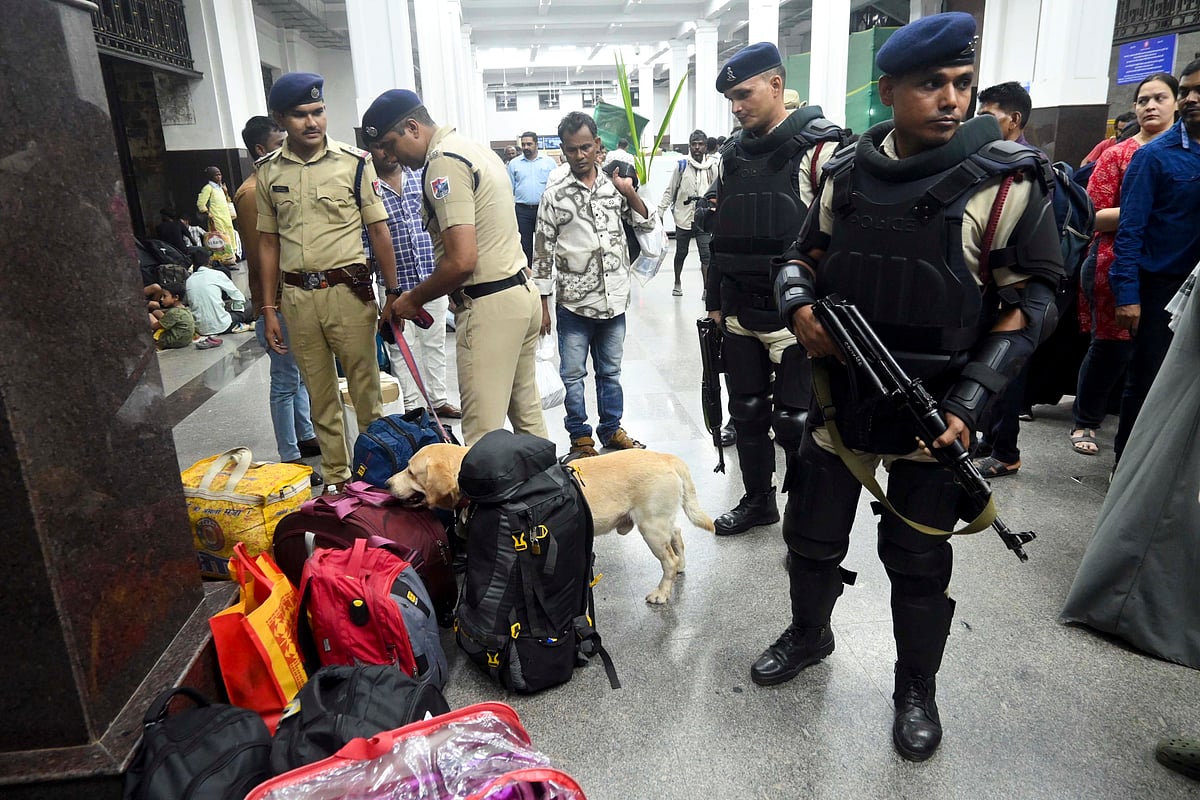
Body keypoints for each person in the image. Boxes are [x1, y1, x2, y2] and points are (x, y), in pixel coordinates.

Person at [768, 12, 1062, 761]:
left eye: (963, 82)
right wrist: (799, 307)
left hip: (937, 411)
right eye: (932, 83)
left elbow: (1031, 303)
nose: (953, 99)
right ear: (888, 90)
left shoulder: (1006, 182)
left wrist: (970, 403)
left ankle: (915, 687)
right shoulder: (843, 174)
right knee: (810, 535)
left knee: (919, 560)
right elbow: (799, 256)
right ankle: (809, 633)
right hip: (841, 397)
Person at [704, 41, 845, 536]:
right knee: (745, 413)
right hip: (740, 311)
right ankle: (759, 501)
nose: (736, 107)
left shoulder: (822, 149)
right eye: (731, 99)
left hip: (797, 316)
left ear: (776, 84)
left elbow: (838, 241)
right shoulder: (730, 156)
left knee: (793, 421)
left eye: (743, 94)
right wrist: (715, 303)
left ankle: (804, 519)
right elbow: (720, 236)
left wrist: (821, 313)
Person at [364, 89, 547, 446]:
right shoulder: (474, 148)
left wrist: (413, 299)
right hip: (520, 294)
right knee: (528, 419)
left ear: (412, 128)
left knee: (481, 436)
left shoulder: (443, 162)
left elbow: (462, 260)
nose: (390, 156)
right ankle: (549, 483)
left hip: (490, 307)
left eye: (389, 144)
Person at [256, 72, 401, 491]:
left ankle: (374, 478)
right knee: (320, 397)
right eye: (300, 115)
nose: (312, 122)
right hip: (297, 300)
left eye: (318, 111)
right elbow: (268, 243)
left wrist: (392, 294)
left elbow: (379, 231)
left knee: (366, 393)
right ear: (280, 119)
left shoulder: (355, 163)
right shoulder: (268, 171)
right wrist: (268, 308)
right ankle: (338, 482)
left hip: (349, 293)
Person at [533, 111, 655, 458]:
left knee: (610, 372)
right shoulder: (554, 195)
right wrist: (542, 306)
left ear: (598, 145)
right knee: (573, 375)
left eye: (586, 147)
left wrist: (629, 193)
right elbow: (541, 251)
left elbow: (647, 223)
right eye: (572, 149)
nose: (580, 155)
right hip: (573, 303)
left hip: (613, 300)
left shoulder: (615, 186)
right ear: (563, 150)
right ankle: (580, 438)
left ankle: (611, 429)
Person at [1070, 73, 1178, 457]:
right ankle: (1085, 419)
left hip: (1170, 268)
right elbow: (1093, 215)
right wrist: (1145, 209)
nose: (1150, 106)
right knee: (1110, 346)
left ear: (1177, 103)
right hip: (1113, 261)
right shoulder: (1118, 155)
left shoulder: (1186, 154)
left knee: (1156, 355)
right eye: (1143, 100)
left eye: (1160, 98)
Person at [1109, 59, 1200, 472]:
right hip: (1162, 288)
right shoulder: (1155, 157)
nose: (1191, 99)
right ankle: (1127, 470)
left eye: (1199, 91)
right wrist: (1127, 295)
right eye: (1186, 92)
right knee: (1147, 383)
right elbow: (1130, 231)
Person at [233, 114, 321, 473]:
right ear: (260, 149)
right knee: (285, 380)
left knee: (296, 374)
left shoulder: (271, 184)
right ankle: (289, 454)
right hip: (278, 300)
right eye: (278, 144)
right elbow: (261, 258)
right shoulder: (252, 193)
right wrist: (271, 306)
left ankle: (305, 434)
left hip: (293, 296)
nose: (286, 149)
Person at [361, 137, 461, 419]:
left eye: (389, 145)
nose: (387, 152)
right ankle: (412, 407)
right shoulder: (368, 187)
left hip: (432, 278)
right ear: (370, 151)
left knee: (435, 343)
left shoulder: (421, 176)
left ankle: (438, 400)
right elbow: (366, 238)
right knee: (400, 348)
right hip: (394, 285)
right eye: (379, 147)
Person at [971, 81, 1040, 477]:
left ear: (1013, 119)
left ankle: (1006, 451)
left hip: (1019, 290)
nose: (977, 123)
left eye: (987, 116)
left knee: (1007, 369)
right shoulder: (994, 161)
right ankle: (991, 438)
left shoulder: (1028, 169)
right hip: (995, 286)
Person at [659, 129, 719, 297]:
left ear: (706, 146)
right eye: (694, 144)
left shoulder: (712, 167)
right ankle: (677, 282)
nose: (697, 147)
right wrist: (660, 211)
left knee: (706, 255)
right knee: (681, 253)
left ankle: (707, 289)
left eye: (701, 144)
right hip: (683, 217)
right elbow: (670, 191)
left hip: (704, 218)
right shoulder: (682, 166)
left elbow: (719, 191)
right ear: (689, 146)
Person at [508, 131, 556, 268]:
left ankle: (544, 271)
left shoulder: (549, 162)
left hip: (544, 209)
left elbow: (556, 186)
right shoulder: (514, 164)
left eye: (529, 144)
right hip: (522, 211)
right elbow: (509, 188)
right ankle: (527, 272)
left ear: (536, 144)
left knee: (545, 243)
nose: (526, 147)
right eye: (523, 144)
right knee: (525, 244)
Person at [186, 256, 253, 337]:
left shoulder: (189, 280)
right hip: (223, 326)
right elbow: (238, 296)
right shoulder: (216, 274)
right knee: (251, 305)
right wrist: (237, 310)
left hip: (201, 330)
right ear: (209, 261)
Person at [196, 166, 238, 267]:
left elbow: (227, 201)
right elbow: (200, 203)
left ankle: (230, 260)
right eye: (216, 175)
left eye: (220, 174)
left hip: (226, 217)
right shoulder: (208, 188)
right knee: (220, 239)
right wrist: (208, 214)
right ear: (211, 176)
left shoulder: (221, 188)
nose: (219, 177)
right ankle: (222, 262)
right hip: (216, 218)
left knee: (229, 237)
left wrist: (226, 192)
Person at [149, 282, 196, 350]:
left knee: (149, 315)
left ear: (176, 297)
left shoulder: (173, 312)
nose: (161, 299)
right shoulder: (184, 309)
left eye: (164, 296)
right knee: (157, 312)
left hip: (174, 341)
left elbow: (154, 326)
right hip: (186, 341)